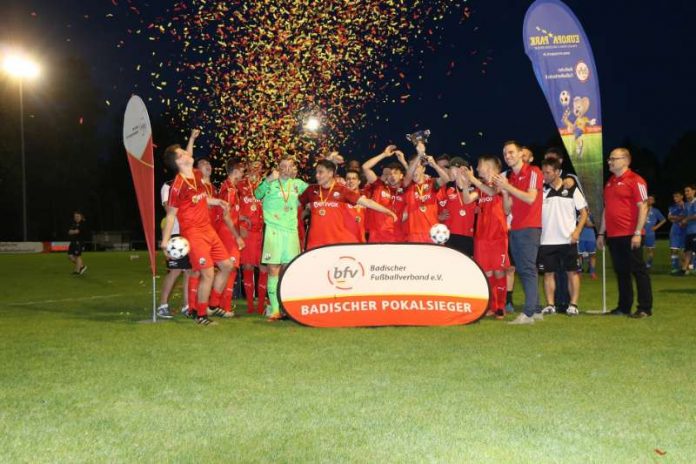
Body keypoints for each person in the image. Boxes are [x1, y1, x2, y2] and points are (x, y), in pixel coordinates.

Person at [161, 139, 237, 326]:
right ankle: (201, 315)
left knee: (227, 265)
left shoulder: (196, 174)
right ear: (178, 161)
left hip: (208, 230)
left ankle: (211, 304)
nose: (187, 154)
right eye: (182, 154)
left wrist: (217, 201)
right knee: (208, 273)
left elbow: (201, 199)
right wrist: (164, 242)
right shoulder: (177, 186)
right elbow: (171, 215)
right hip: (193, 233)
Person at [596, 148, 653, 318]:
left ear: (626, 160)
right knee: (621, 271)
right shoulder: (610, 182)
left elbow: (643, 206)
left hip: (631, 233)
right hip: (614, 235)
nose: (609, 161)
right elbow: (607, 209)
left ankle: (644, 308)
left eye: (613, 158)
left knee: (638, 270)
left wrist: (637, 232)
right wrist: (601, 233)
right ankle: (623, 307)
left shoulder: (636, 180)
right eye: (609, 159)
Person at [254, 157, 309, 321]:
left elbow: (316, 192)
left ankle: (286, 306)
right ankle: (275, 309)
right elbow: (257, 195)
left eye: (289, 166)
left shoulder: (299, 184)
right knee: (273, 270)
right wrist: (268, 179)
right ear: (278, 168)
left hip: (291, 232)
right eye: (282, 166)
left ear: (293, 168)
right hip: (273, 231)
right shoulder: (270, 183)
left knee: (289, 269)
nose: (286, 169)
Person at [495, 141, 544, 325]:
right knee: (525, 270)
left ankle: (529, 313)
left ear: (521, 153)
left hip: (529, 228)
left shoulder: (533, 172)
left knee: (527, 270)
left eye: (511, 152)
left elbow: (531, 198)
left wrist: (508, 187)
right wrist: (505, 190)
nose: (508, 156)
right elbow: (507, 209)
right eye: (505, 154)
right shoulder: (512, 179)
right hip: (515, 228)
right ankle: (537, 309)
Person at [300, 160, 397, 250]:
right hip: (314, 244)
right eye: (316, 172)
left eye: (320, 172)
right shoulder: (311, 190)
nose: (317, 175)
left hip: (335, 244)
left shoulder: (342, 190)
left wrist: (388, 211)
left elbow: (367, 202)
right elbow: (297, 205)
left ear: (330, 173)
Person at [538, 158, 588, 316]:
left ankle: (573, 305)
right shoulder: (541, 190)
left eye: (548, 172)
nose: (544, 175)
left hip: (568, 239)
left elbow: (584, 213)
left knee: (572, 272)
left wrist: (577, 232)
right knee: (548, 274)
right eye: (543, 172)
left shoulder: (572, 189)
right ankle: (550, 305)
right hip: (546, 240)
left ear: (558, 172)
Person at [461, 155, 508, 319]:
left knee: (499, 272)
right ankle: (492, 306)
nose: (478, 168)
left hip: (498, 235)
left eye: (480, 165)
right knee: (487, 273)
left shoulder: (500, 182)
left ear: (489, 167)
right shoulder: (479, 187)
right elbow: (467, 200)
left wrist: (472, 178)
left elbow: (493, 192)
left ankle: (501, 307)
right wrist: (466, 185)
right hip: (481, 236)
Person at [213, 159, 247, 316]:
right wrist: (237, 236)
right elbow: (226, 216)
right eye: (242, 171)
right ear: (236, 171)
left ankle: (221, 305)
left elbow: (230, 212)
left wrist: (242, 218)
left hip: (226, 232)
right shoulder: (230, 190)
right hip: (228, 234)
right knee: (230, 269)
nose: (243, 174)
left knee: (229, 270)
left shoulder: (230, 187)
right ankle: (219, 306)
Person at [402, 142, 450, 243]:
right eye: (412, 167)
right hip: (414, 235)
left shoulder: (432, 183)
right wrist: (419, 155)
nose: (414, 170)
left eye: (417, 167)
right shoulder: (407, 185)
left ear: (423, 168)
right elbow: (408, 176)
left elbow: (446, 179)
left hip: (433, 234)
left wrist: (434, 165)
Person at [157, 178, 191, 319]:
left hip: (190, 232)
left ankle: (187, 305)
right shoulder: (168, 185)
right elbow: (168, 208)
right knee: (175, 271)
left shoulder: (191, 184)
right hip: (175, 233)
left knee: (190, 271)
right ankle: (162, 306)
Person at [238, 160, 268, 314]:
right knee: (247, 266)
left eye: (259, 166)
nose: (256, 169)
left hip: (263, 231)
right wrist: (241, 218)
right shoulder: (239, 184)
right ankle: (250, 304)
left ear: (262, 169)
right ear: (247, 168)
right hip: (247, 232)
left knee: (264, 267)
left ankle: (261, 304)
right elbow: (231, 205)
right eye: (253, 166)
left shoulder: (265, 185)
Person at [361, 145, 409, 243]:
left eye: (395, 173)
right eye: (390, 173)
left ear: (401, 175)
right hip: (377, 236)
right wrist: (384, 154)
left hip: (398, 236)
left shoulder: (406, 190)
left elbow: (414, 175)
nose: (392, 176)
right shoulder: (379, 186)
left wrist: (403, 162)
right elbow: (365, 167)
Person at [437, 157, 476, 256]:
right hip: (450, 234)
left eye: (452, 168)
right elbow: (435, 209)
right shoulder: (446, 188)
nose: (449, 171)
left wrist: (469, 180)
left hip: (469, 234)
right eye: (449, 169)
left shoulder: (474, 187)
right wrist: (438, 216)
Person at [343, 168, 367, 243]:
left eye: (354, 178)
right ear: (345, 181)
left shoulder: (365, 199)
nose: (351, 181)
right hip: (342, 240)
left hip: (360, 240)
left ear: (359, 181)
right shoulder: (340, 199)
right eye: (348, 179)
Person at [643, 195, 666, 269]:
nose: (649, 200)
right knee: (639, 250)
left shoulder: (656, 211)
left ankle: (648, 265)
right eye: (648, 199)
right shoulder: (641, 209)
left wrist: (656, 227)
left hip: (650, 233)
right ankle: (640, 264)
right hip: (641, 233)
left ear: (653, 201)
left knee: (650, 249)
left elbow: (663, 220)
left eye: (651, 199)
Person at [667, 190, 687, 274]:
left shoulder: (687, 206)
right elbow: (669, 217)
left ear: (682, 196)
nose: (675, 198)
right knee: (674, 249)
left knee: (684, 250)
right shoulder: (672, 207)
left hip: (685, 230)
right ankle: (675, 268)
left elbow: (685, 216)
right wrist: (678, 218)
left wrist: (675, 217)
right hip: (675, 229)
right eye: (674, 197)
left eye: (677, 196)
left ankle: (685, 268)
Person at [681, 184, 696, 275]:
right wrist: (683, 222)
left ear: (694, 191)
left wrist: (686, 219)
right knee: (688, 251)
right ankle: (684, 269)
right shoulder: (686, 204)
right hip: (689, 231)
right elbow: (686, 216)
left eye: (688, 191)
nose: (686, 193)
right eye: (685, 191)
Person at [578, 213, 598, 279]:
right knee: (579, 256)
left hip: (591, 238)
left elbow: (593, 224)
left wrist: (585, 223)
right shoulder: (576, 215)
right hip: (580, 238)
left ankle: (592, 272)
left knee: (592, 255)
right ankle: (579, 272)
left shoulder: (591, 215)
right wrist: (584, 223)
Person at [67, 211, 87, 275]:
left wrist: (73, 231)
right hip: (73, 241)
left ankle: (77, 271)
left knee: (77, 256)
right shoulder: (74, 223)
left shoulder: (83, 223)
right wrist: (73, 231)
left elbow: (77, 232)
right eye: (75, 216)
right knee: (70, 256)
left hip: (79, 242)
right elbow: (69, 232)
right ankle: (81, 266)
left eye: (78, 216)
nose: (76, 218)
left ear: (81, 216)